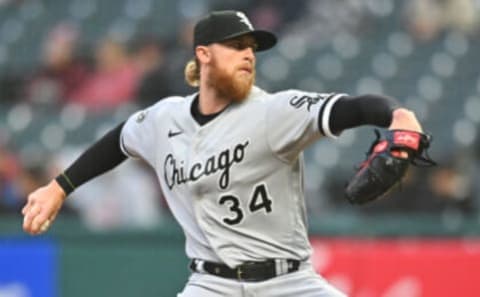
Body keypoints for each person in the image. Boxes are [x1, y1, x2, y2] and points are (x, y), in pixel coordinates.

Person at [22, 10, 424, 297]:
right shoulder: (165, 119)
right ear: (203, 54)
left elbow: (355, 107)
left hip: (289, 283)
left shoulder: (273, 111)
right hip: (210, 285)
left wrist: (400, 115)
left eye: (252, 47)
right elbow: (119, 141)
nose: (249, 54)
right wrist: (59, 188)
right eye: (236, 46)